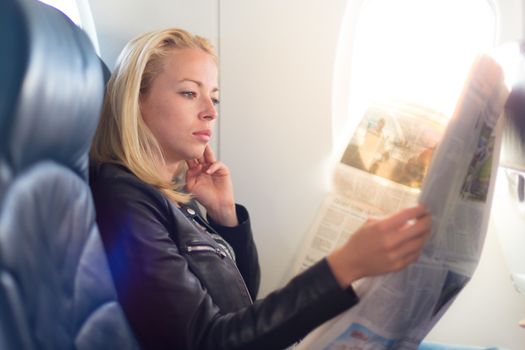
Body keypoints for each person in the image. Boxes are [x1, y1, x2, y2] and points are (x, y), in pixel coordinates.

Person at [89, 28, 431, 350]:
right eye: (190, 93)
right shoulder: (126, 200)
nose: (210, 112)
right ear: (137, 101)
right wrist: (343, 267)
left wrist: (226, 218)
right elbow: (209, 339)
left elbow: (241, 300)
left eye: (215, 98)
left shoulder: (174, 196)